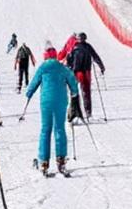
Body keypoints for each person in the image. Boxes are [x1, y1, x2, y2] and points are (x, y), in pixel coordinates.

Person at [26, 45, 81, 176]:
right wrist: (74, 93)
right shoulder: (62, 68)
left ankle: (44, 162)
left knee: (45, 129)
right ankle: (61, 160)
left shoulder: (43, 68)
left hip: (46, 103)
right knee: (60, 128)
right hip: (61, 102)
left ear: (45, 56)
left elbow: (34, 83)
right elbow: (73, 81)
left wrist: (29, 94)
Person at [66, 32, 105, 119]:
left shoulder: (74, 47)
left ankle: (74, 111)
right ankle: (88, 112)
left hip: (76, 71)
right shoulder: (88, 47)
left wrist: (67, 69)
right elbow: (95, 56)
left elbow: (69, 59)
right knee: (86, 92)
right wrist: (101, 66)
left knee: (74, 91)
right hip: (86, 71)